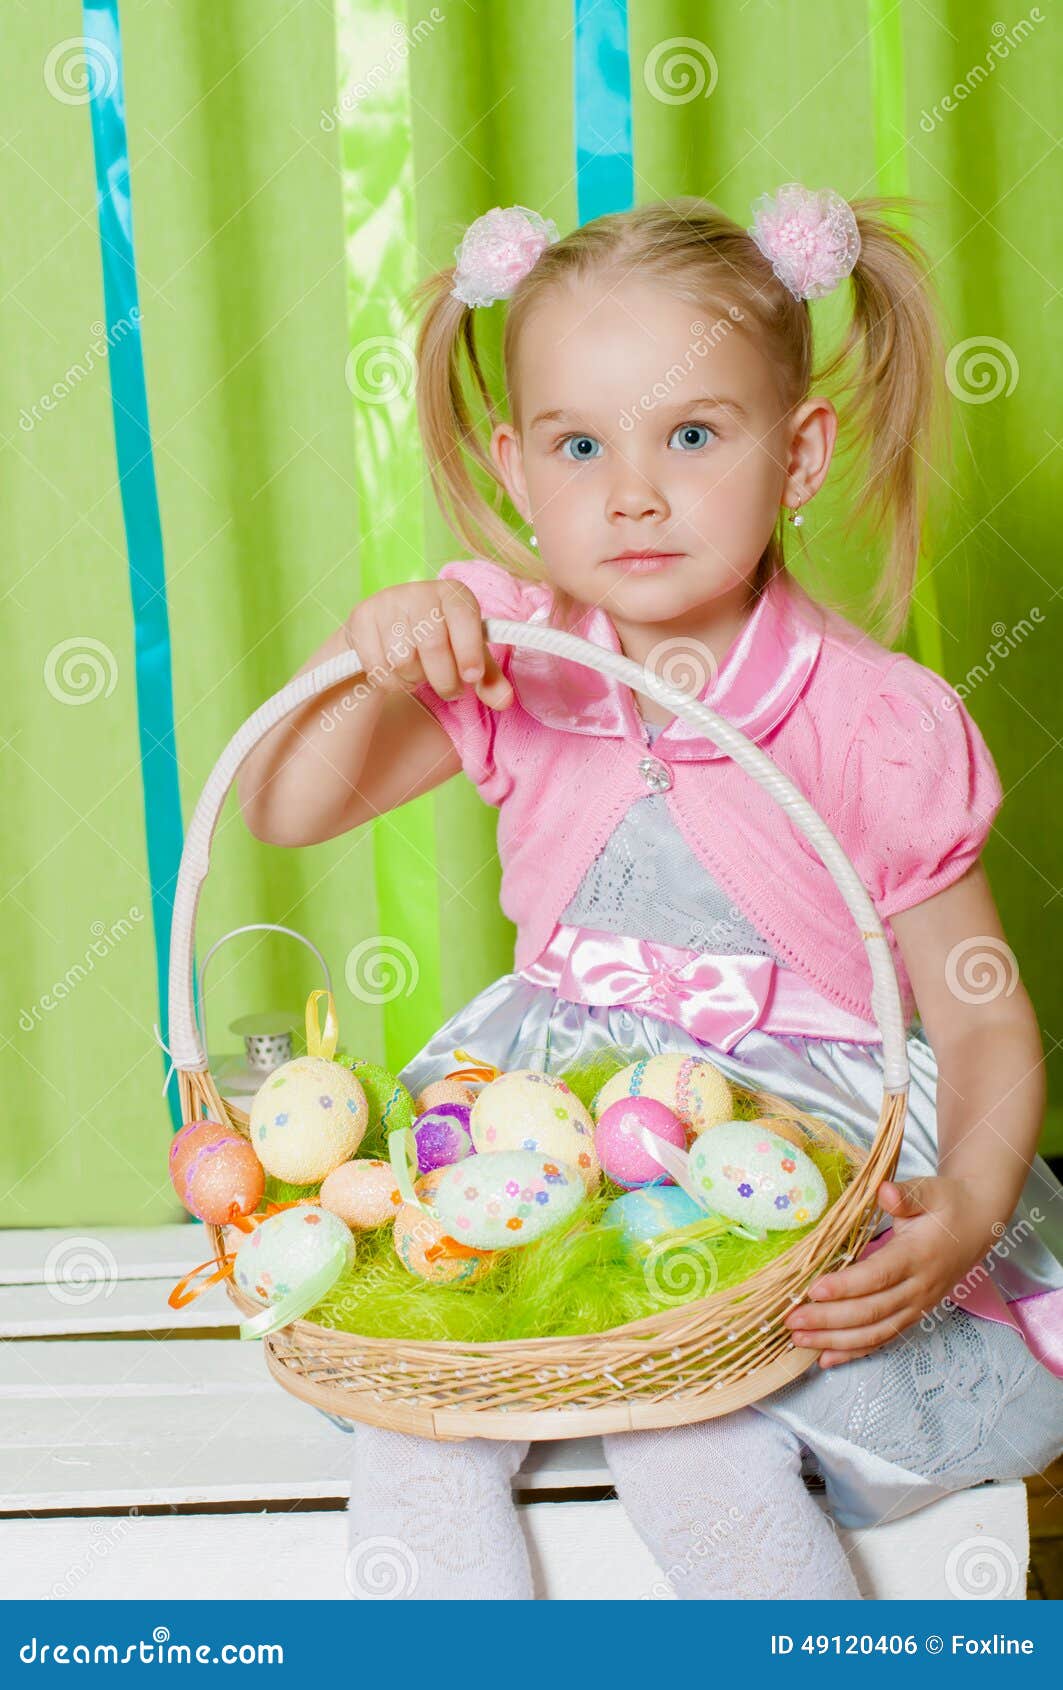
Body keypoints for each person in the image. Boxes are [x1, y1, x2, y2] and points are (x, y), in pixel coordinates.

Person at [237, 185, 1063, 1601]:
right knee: (426, 1428)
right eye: (578, 443)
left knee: (704, 1440)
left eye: (692, 435)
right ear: (515, 464)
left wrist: (975, 1196)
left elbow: (981, 1010)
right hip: (547, 1111)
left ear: (798, 453)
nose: (632, 490)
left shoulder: (873, 721)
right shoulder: (508, 650)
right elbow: (287, 802)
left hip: (789, 1135)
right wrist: (364, 651)